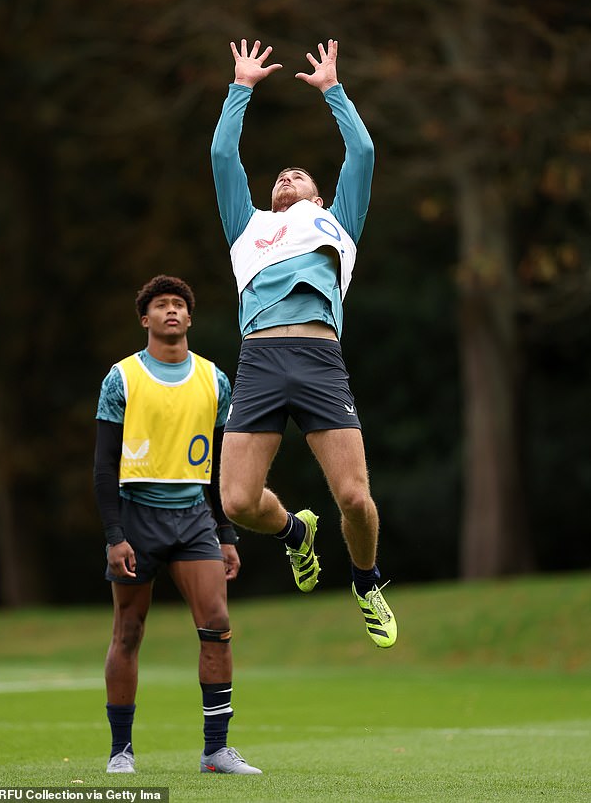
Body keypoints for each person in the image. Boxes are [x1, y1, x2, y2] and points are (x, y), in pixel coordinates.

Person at [211, 38, 397, 649]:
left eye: (300, 175)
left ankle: (367, 582)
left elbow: (363, 151)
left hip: (319, 360)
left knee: (356, 498)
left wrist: (334, 92)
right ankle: (296, 533)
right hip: (260, 359)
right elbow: (222, 154)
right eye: (280, 177)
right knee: (236, 501)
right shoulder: (250, 226)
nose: (288, 177)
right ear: (269, 198)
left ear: (317, 196)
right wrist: (240, 89)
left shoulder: (338, 222)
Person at [93, 274, 262, 776]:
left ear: (189, 318)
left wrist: (226, 534)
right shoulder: (121, 378)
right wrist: (113, 534)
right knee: (129, 631)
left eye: (178, 305)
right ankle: (120, 750)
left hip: (193, 519)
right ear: (145, 319)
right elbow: (104, 465)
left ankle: (216, 751)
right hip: (136, 516)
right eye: (160, 306)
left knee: (218, 625)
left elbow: (218, 469)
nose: (171, 311)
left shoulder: (215, 380)